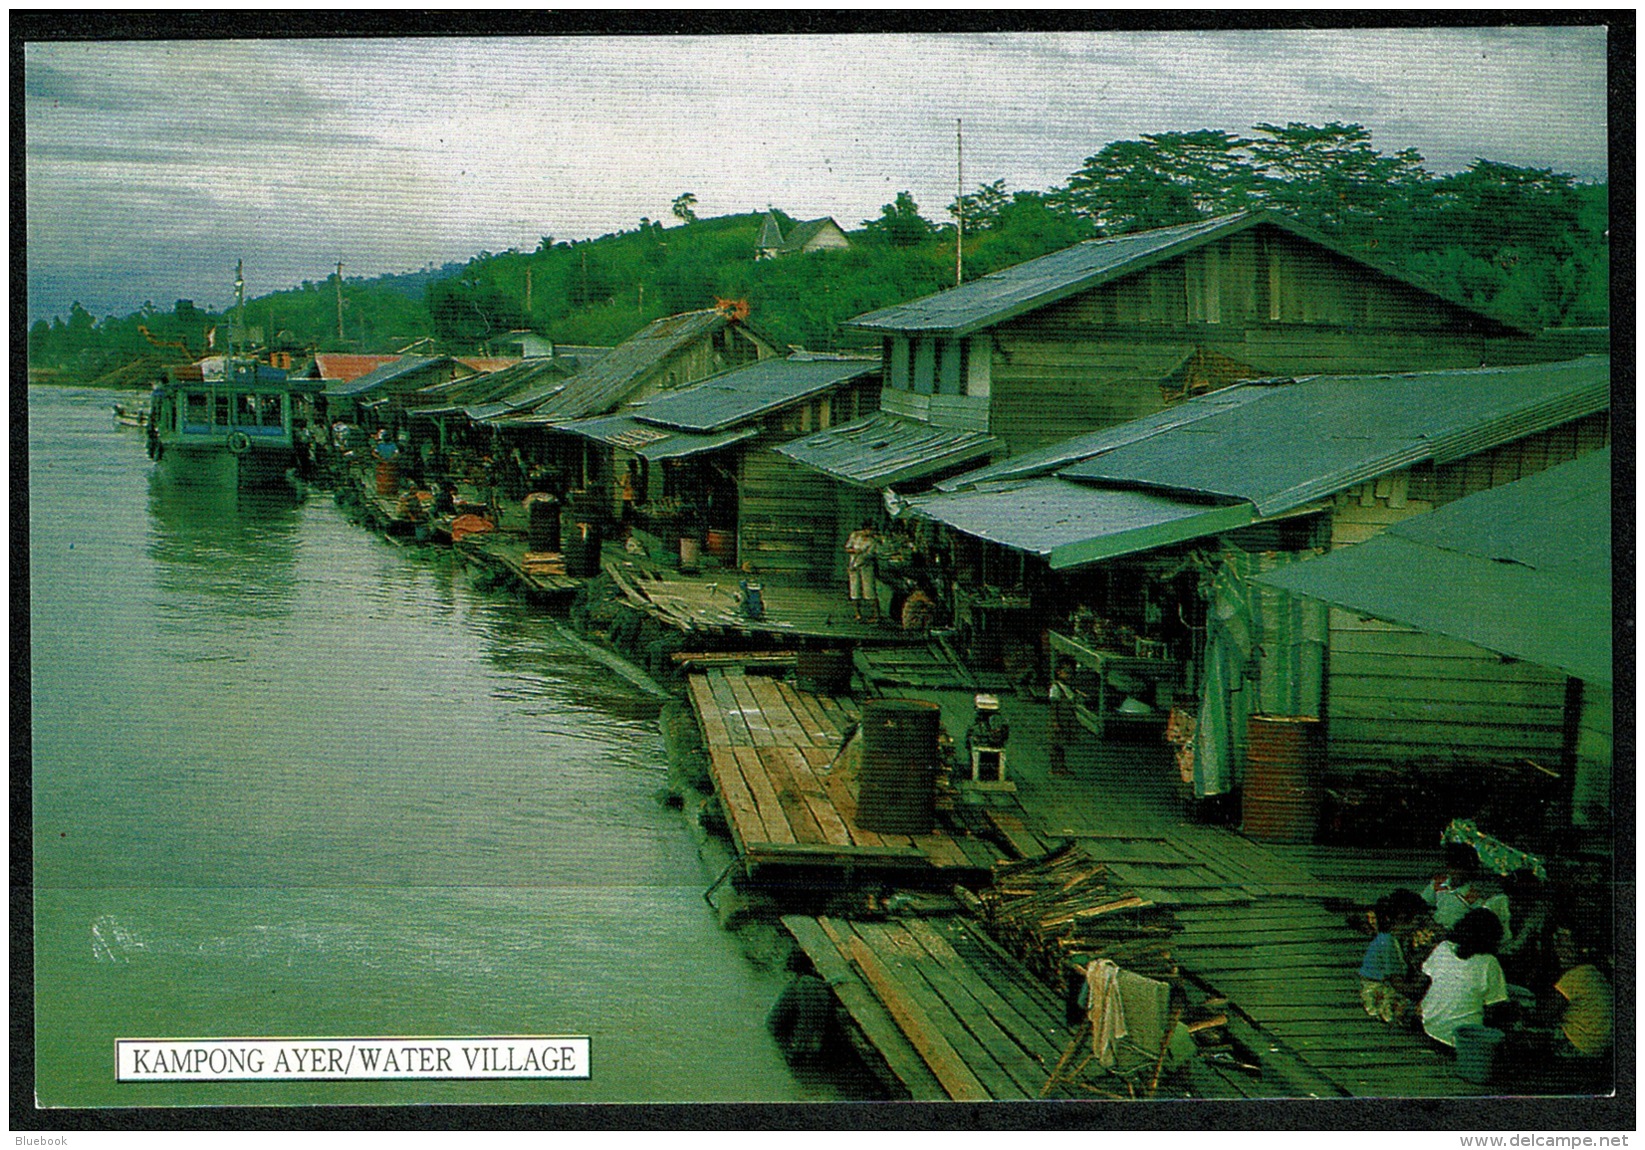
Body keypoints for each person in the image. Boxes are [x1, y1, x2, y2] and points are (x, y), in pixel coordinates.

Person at [1418, 908, 1512, 1049]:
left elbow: (1427, 982)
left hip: (1430, 1028)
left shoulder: (1443, 948)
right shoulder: (1489, 963)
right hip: (1461, 1042)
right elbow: (1496, 1007)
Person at [1358, 889, 1430, 1024]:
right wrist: (1418, 988)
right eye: (1418, 920)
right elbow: (1396, 983)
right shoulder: (1387, 943)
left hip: (1385, 986)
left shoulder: (1394, 939)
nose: (1420, 925)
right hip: (1378, 992)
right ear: (1403, 918)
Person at [1421, 842, 1510, 932]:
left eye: (1461, 868)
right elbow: (1422, 905)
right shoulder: (1437, 884)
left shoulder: (1473, 897)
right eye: (1453, 867)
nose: (1456, 872)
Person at [1047, 662, 1079, 778]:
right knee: (1056, 745)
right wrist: (1055, 722)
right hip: (1060, 719)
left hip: (1067, 719)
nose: (1069, 675)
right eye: (1066, 673)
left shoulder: (1068, 687)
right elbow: (1053, 706)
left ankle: (1061, 766)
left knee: (1061, 744)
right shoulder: (1056, 688)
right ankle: (1056, 768)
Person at [844, 523, 879, 622]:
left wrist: (861, 554)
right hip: (854, 565)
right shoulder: (855, 536)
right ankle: (858, 614)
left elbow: (870, 554)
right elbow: (848, 547)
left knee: (869, 591)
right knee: (855, 590)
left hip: (866, 566)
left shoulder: (872, 541)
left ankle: (875, 615)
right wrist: (854, 551)